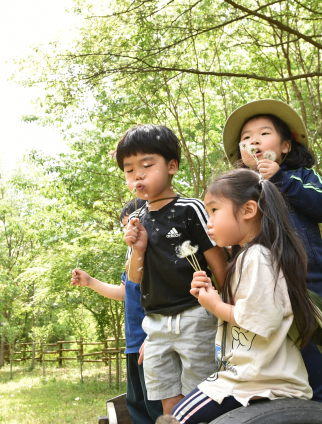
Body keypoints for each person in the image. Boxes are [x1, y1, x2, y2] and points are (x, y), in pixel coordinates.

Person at [172, 168, 320, 423]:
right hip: (248, 375)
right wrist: (211, 294)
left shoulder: (258, 257)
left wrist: (215, 304)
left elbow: (260, 318)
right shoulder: (248, 257)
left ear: (248, 210)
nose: (208, 222)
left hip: (257, 379)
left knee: (179, 417)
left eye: (214, 210)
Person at [220, 99, 322, 407]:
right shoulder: (238, 191)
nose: (254, 141)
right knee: (266, 376)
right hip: (261, 296)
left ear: (286, 145)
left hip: (306, 287)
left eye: (263, 133)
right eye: (246, 138)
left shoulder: (301, 177)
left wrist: (281, 179)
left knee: (317, 371)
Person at [118, 124, 228, 415]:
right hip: (155, 323)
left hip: (196, 316)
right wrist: (138, 249)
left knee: (200, 398)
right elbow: (135, 279)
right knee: (169, 404)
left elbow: (220, 265)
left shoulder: (190, 209)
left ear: (172, 166)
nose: (138, 175)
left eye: (146, 165)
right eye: (129, 170)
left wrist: (229, 312)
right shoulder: (136, 220)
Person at [71, 200, 164, 424]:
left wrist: (156, 336)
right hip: (133, 342)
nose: (127, 232)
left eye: (131, 224)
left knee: (156, 406)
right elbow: (124, 292)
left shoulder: (159, 258)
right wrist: (90, 281)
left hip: (152, 340)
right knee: (136, 404)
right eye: (124, 227)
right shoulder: (131, 260)